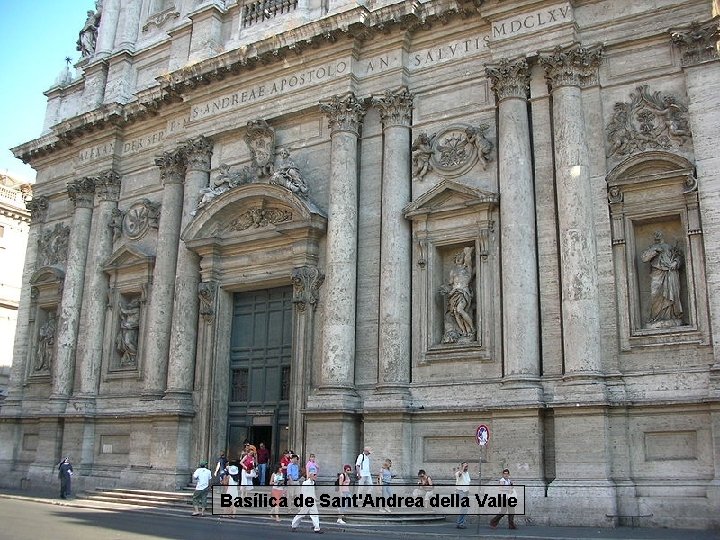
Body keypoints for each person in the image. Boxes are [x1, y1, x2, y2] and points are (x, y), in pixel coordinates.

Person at [640, 231, 683, 328]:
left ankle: (671, 317)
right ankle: (656, 317)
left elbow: (679, 257)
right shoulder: (652, 248)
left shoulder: (670, 247)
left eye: (659, 234)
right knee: (655, 295)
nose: (657, 236)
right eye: (655, 235)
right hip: (657, 274)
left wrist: (675, 263)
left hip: (670, 273)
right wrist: (655, 251)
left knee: (671, 295)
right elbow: (644, 258)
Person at [441, 246, 475, 343]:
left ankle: (472, 329)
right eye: (457, 257)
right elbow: (450, 283)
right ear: (455, 260)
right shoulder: (453, 271)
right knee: (455, 312)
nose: (459, 258)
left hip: (463, 291)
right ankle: (464, 331)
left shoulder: (466, 268)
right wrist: (446, 289)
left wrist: (467, 252)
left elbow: (468, 260)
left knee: (460, 310)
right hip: (454, 293)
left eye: (461, 257)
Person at [116, 297, 140, 367]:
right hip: (127, 327)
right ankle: (130, 357)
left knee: (128, 342)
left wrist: (120, 306)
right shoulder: (132, 311)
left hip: (132, 328)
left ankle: (134, 356)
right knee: (125, 342)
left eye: (133, 303)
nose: (130, 304)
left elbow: (125, 312)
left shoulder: (136, 310)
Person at [454, 462, 471, 529]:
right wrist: (462, 468)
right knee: (465, 507)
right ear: (462, 467)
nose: (466, 467)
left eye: (467, 466)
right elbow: (460, 475)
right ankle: (460, 523)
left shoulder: (467, 473)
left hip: (466, 492)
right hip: (460, 491)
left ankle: (461, 523)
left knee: (464, 508)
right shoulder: (458, 473)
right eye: (465, 466)